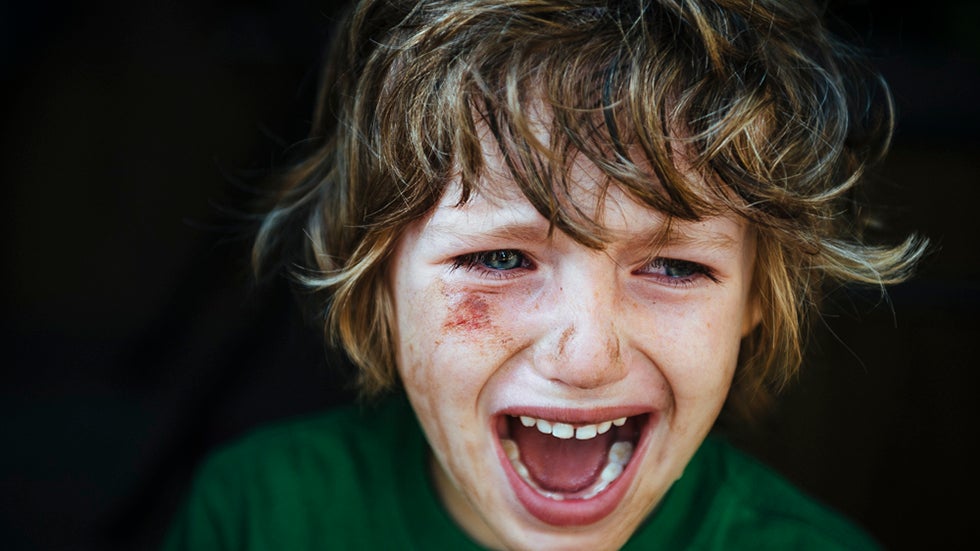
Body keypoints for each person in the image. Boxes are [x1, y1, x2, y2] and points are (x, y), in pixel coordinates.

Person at [163, 0, 927, 549]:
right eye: (499, 258)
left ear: (757, 298)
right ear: (378, 278)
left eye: (673, 265)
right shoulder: (259, 516)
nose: (587, 355)